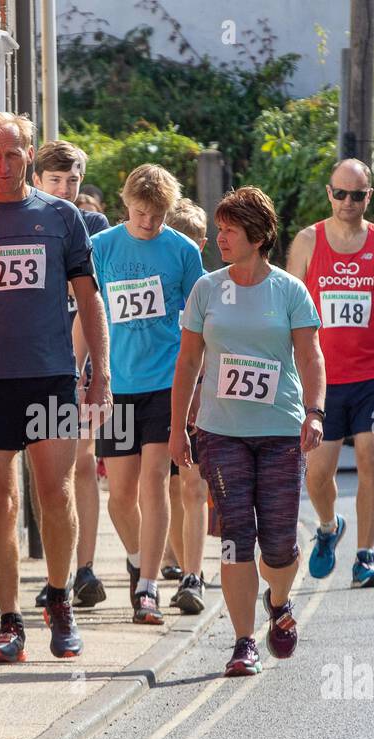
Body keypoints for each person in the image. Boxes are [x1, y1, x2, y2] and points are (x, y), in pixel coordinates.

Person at [0, 113, 111, 663]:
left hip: (50, 374)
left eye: (13, 154)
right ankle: (9, 621)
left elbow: (89, 298)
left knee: (54, 493)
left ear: (29, 155)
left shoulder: (61, 217)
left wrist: (99, 371)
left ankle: (59, 600)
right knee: (0, 502)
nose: (4, 165)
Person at [171, 186, 325, 677]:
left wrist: (315, 412)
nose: (220, 238)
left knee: (278, 544)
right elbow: (189, 360)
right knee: (237, 537)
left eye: (230, 230)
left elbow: (310, 356)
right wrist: (179, 428)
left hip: (280, 431)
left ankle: (278, 604)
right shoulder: (206, 290)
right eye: (218, 229)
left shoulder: (288, 291)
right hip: (221, 432)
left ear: (257, 238)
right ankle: (242, 643)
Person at [286, 158, 374, 588]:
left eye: (358, 194)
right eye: (340, 193)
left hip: (372, 376)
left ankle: (365, 557)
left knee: (370, 459)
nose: (348, 201)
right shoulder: (308, 242)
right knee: (317, 473)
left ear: (369, 196)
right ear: (329, 194)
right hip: (322, 381)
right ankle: (328, 527)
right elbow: (288, 310)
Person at [90, 165, 205, 624]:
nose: (148, 223)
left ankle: (148, 587)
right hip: (118, 386)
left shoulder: (181, 252)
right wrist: (86, 376)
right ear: (126, 204)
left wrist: (197, 388)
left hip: (166, 383)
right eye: (140, 214)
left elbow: (200, 324)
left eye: (156, 216)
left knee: (154, 480)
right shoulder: (101, 248)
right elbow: (86, 312)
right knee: (119, 495)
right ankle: (140, 557)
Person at [28, 139, 110, 610]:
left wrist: (94, 369)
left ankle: (84, 568)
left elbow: (93, 300)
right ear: (38, 180)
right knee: (49, 470)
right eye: (55, 180)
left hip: (77, 362)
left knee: (81, 461)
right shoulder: (24, 218)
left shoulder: (91, 224)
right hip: (36, 360)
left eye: (73, 180)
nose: (64, 188)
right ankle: (57, 570)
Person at [161, 197, 211, 613]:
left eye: (194, 244)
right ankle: (174, 563)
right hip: (157, 393)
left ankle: (193, 575)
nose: (187, 252)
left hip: (202, 400)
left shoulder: (214, 289)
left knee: (193, 487)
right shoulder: (158, 283)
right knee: (171, 488)